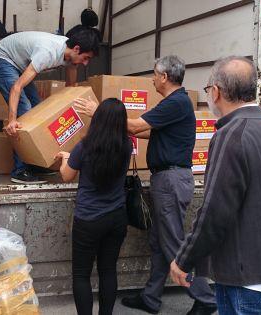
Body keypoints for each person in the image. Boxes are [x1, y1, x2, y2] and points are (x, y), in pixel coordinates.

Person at [75, 55, 217, 315]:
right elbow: (145, 130)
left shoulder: (176, 102)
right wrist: (117, 129)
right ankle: (151, 297)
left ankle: (205, 297)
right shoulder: (173, 104)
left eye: (154, 74)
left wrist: (101, 114)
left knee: (173, 242)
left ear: (164, 76)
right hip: (167, 179)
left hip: (171, 179)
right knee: (158, 242)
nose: (152, 79)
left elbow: (138, 124)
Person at [168, 56, 261, 315]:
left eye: (209, 90)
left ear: (217, 92)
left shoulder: (232, 135)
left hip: (247, 273)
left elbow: (214, 212)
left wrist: (184, 259)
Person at [0, 27, 100, 184]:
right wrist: (12, 120)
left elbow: (71, 81)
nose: (85, 63)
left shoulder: (70, 54)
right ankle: (20, 170)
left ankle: (35, 162)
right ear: (76, 49)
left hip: (19, 62)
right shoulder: (48, 53)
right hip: (3, 58)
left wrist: (71, 98)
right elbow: (16, 87)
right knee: (25, 110)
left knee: (38, 108)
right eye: (85, 58)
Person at [56, 98, 132, 315]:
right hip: (117, 217)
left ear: (97, 118)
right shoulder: (126, 145)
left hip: (88, 219)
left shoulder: (85, 146)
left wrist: (65, 158)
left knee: (81, 274)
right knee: (108, 270)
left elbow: (66, 175)